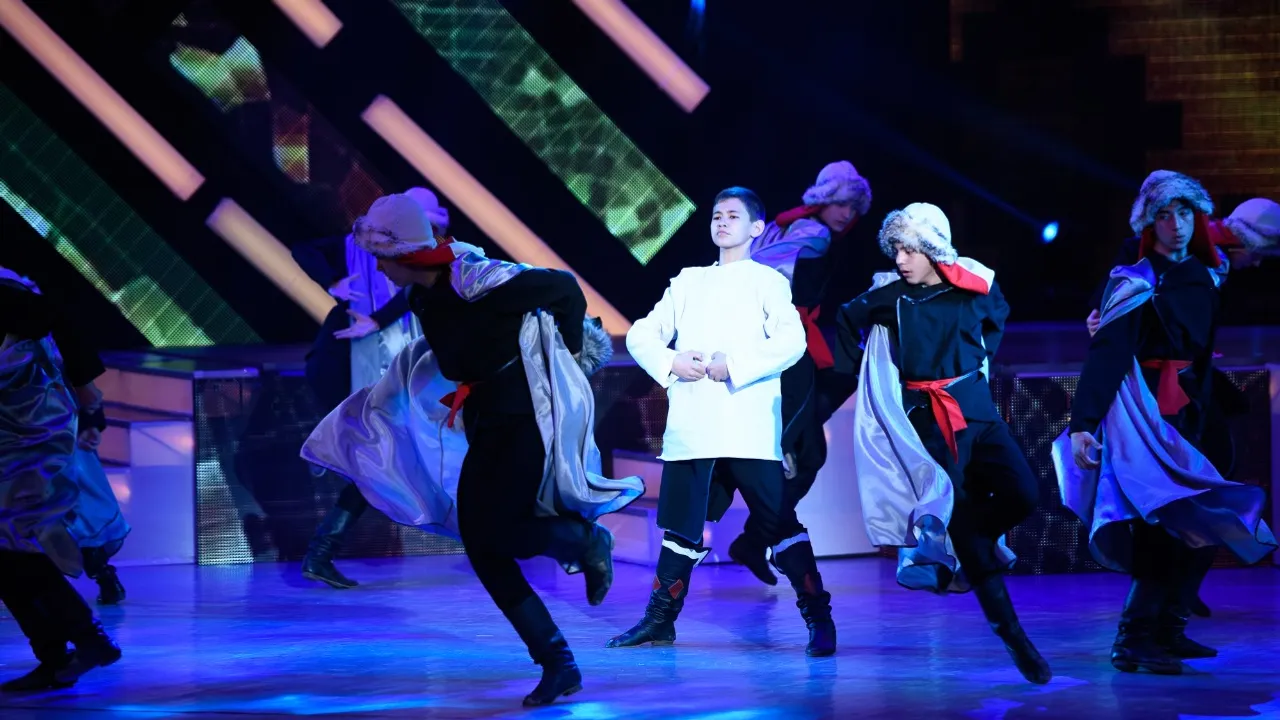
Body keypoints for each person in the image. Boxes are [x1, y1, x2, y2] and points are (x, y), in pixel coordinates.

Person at [300, 194, 643, 706]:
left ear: (403, 253)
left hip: (526, 420)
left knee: (496, 535)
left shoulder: (476, 282)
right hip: (485, 420)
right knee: (483, 545)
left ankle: (583, 543)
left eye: (381, 258)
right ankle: (559, 658)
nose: (379, 269)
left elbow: (565, 288)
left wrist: (570, 354)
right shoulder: (421, 296)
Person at [1054, 170, 1276, 674]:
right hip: (1149, 413)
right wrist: (1084, 421)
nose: (1176, 224)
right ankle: (1133, 639)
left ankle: (1170, 628)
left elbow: (1201, 345)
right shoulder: (1134, 279)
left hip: (1196, 407)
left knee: (1210, 516)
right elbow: (1109, 352)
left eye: (1185, 213)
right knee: (1164, 522)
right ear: (1148, 223)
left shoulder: (1202, 273)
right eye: (1164, 215)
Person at [611, 186, 837, 657]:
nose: (722, 221)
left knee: (780, 522)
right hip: (694, 428)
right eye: (716, 215)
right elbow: (642, 333)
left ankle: (819, 617)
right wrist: (672, 361)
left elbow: (791, 343)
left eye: (733, 215)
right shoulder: (688, 281)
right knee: (681, 527)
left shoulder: (768, 281)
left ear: (756, 228)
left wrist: (732, 366)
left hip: (746, 429)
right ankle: (659, 621)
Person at [834, 202, 1052, 684]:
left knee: (1023, 493)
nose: (901, 259)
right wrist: (864, 370)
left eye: (911, 249)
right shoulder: (890, 297)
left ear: (934, 249)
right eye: (896, 249)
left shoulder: (974, 287)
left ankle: (969, 540)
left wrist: (976, 360)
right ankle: (1014, 637)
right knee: (956, 512)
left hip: (977, 410)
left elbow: (997, 317)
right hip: (929, 422)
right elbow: (847, 319)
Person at [293, 187, 447, 588]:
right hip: (350, 373)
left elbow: (412, 296)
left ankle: (321, 551)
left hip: (395, 375)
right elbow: (304, 249)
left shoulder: (422, 267)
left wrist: (378, 321)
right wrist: (334, 282)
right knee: (374, 461)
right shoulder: (368, 257)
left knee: (379, 463)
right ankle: (320, 549)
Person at [730, 161, 872, 585]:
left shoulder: (793, 224)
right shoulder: (814, 233)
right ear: (824, 199)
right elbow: (761, 267)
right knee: (804, 453)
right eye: (841, 202)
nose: (847, 213)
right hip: (786, 346)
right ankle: (761, 539)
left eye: (854, 207)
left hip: (788, 341)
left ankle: (754, 540)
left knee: (812, 446)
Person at [0, 267, 122, 692]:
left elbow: (54, 320)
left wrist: (89, 399)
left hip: (28, 441)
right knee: (9, 553)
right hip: (22, 437)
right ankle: (59, 656)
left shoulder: (12, 297)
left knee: (15, 548)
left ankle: (84, 641)